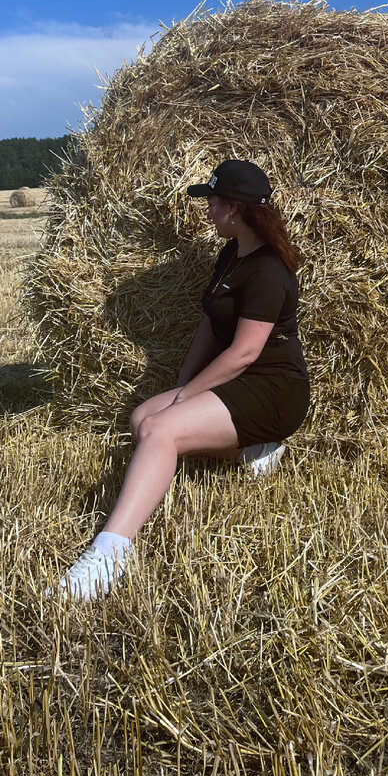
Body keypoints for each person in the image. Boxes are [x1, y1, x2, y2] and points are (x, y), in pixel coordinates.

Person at [47, 159, 310, 602]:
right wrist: (180, 386)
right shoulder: (231, 255)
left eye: (212, 202)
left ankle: (109, 553)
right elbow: (210, 324)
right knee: (143, 418)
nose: (206, 210)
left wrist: (185, 399)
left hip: (273, 388)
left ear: (235, 209)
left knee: (161, 430)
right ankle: (252, 448)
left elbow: (244, 353)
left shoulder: (268, 269)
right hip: (236, 379)